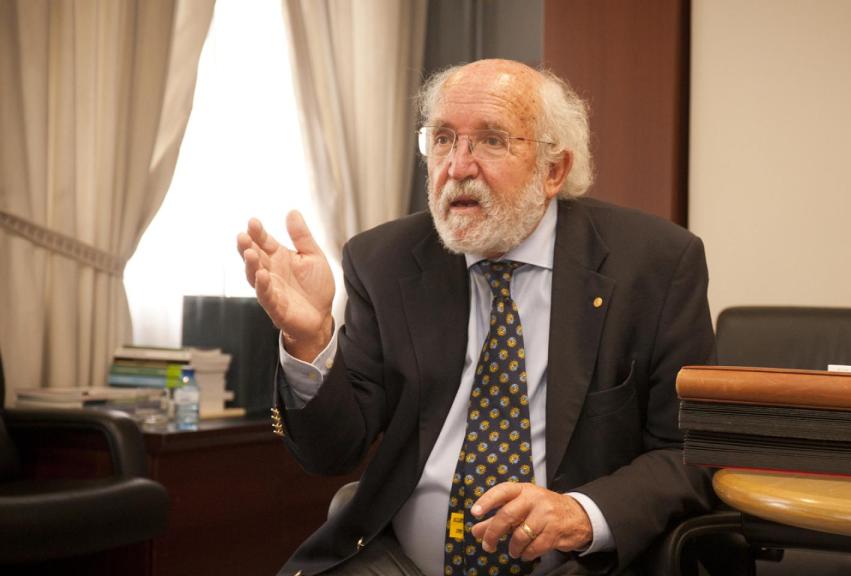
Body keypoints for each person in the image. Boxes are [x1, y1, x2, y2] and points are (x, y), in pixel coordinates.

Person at [237, 59, 716, 576]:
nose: (458, 167)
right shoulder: (385, 261)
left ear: (553, 170)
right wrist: (311, 343)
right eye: (443, 139)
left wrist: (581, 513)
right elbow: (331, 453)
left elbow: (688, 455)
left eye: (490, 140)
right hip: (396, 563)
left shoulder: (655, 265)